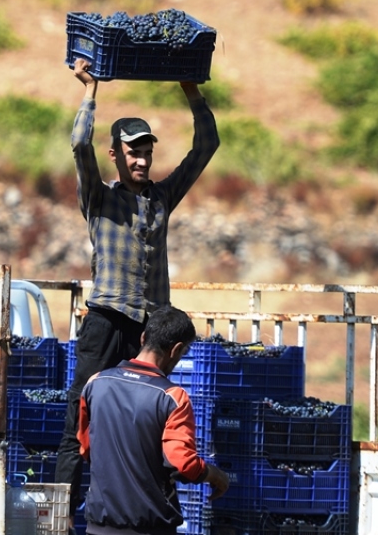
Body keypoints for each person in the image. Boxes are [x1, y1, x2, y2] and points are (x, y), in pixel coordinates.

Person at [56, 57, 220, 513]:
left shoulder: (162, 198)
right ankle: (62, 518)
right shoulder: (100, 197)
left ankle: (146, 511)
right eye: (132, 151)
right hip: (107, 321)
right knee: (81, 424)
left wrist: (191, 90)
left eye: (146, 151)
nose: (142, 159)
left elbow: (207, 145)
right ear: (117, 156)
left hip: (148, 331)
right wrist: (90, 92)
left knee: (148, 423)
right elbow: (78, 144)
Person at [76, 305, 231, 535]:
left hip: (98, 526)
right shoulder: (172, 397)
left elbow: (86, 447)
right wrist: (216, 475)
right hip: (149, 527)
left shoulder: (95, 383)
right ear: (176, 350)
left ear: (143, 337)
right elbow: (183, 464)